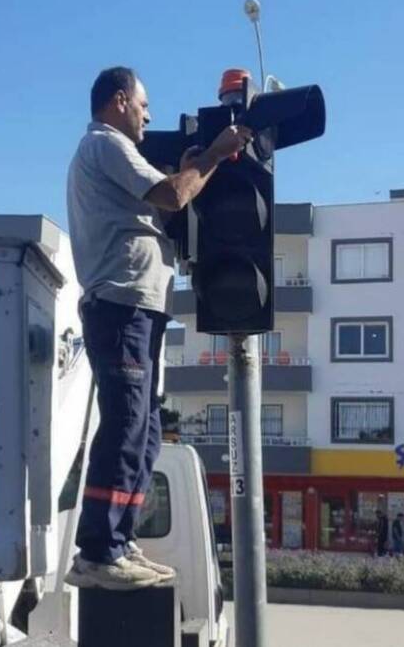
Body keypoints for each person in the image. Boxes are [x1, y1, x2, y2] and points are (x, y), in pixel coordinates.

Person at [64, 66, 253, 590]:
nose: (148, 114)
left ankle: (117, 544)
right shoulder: (105, 145)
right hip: (121, 305)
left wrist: (202, 167)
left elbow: (174, 192)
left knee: (145, 432)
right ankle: (98, 551)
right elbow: (171, 196)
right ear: (119, 100)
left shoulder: (108, 152)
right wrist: (213, 155)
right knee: (126, 424)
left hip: (139, 308)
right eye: (143, 104)